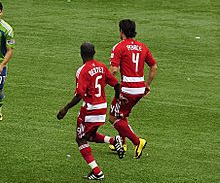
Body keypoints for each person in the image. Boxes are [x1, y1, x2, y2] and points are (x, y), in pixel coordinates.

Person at [57, 42, 125, 181]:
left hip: (90, 109)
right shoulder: (101, 66)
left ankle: (97, 171)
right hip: (102, 107)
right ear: (94, 53)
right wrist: (118, 97)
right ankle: (113, 140)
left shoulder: (82, 70)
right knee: (90, 135)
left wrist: (65, 109)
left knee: (80, 138)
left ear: (81, 54)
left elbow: (79, 95)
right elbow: (116, 84)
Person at [108, 19, 157, 159]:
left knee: (113, 118)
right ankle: (122, 143)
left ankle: (137, 141)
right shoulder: (143, 47)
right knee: (122, 114)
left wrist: (102, 81)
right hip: (139, 89)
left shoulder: (119, 47)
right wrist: (147, 84)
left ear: (121, 31)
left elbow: (114, 70)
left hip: (127, 89)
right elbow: (154, 67)